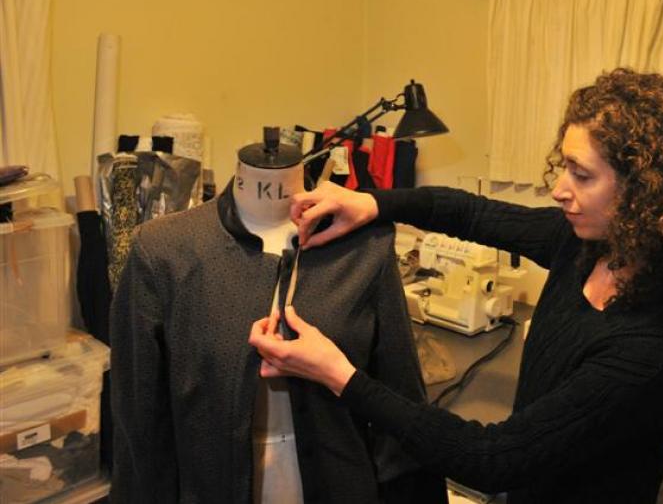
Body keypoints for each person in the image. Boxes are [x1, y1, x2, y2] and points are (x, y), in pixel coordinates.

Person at [249, 68, 663, 503]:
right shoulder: (587, 248)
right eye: (565, 166)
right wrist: (374, 203)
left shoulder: (658, 345)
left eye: (582, 175)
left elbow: (490, 458)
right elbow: (469, 211)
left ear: (647, 195)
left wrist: (339, 374)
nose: (560, 188)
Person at [111, 133, 445, 503]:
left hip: (342, 484)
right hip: (210, 487)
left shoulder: (365, 247)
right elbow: (139, 420)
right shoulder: (163, 251)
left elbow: (401, 396)